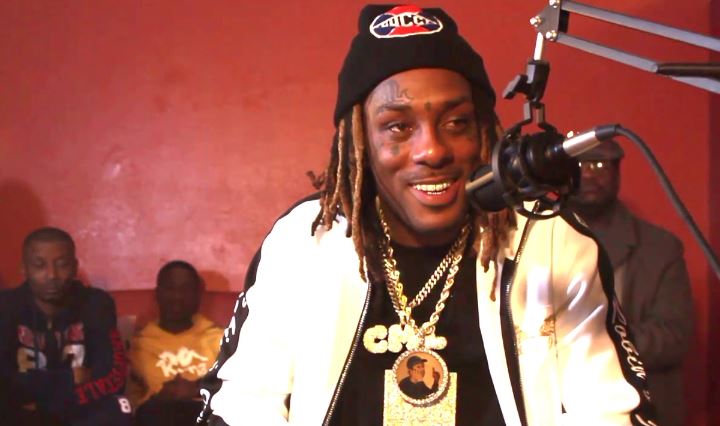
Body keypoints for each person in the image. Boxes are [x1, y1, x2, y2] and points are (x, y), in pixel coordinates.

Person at [197, 4, 655, 425]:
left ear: (484, 130)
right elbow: (240, 404)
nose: (432, 150)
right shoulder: (303, 241)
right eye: (398, 126)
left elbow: (611, 411)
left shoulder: (550, 239)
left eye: (456, 122)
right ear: (360, 140)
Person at [568, 140, 694, 426]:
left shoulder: (661, 248)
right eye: (579, 165)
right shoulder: (534, 241)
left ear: (618, 172)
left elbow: (674, 337)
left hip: (638, 409)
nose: (588, 174)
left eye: (600, 165)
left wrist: (601, 340)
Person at [0, 227, 131, 426]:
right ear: (24, 269)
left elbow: (113, 376)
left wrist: (45, 399)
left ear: (75, 267)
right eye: (39, 265)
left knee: (119, 407)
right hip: (20, 412)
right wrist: (70, 378)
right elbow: (4, 381)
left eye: (62, 265)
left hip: (78, 410)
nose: (52, 275)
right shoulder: (6, 307)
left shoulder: (96, 304)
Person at [127, 260, 223, 426]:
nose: (177, 297)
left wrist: (195, 388)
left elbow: (237, 383)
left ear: (198, 294)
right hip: (159, 414)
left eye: (185, 289)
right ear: (157, 294)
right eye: (170, 289)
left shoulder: (219, 338)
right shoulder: (141, 344)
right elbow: (160, 393)